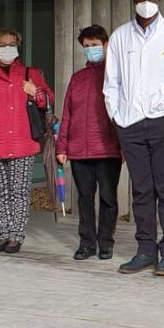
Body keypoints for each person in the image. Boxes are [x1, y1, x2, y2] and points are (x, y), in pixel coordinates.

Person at [103, 0, 164, 277]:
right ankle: (144, 250)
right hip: (130, 123)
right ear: (133, 0)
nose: (146, 1)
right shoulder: (119, 37)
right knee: (140, 189)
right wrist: (117, 117)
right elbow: (111, 83)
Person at [0, 28, 53, 253]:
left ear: (18, 46)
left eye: (12, 44)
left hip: (21, 143)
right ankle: (3, 234)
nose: (7, 48)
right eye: (2, 44)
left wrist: (35, 92)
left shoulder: (29, 73)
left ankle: (16, 236)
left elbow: (47, 102)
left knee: (19, 191)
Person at [56, 25, 122, 261]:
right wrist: (61, 148)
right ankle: (86, 243)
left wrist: (123, 146)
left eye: (94, 45)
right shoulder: (77, 78)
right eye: (86, 47)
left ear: (105, 45)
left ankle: (106, 242)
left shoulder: (115, 75)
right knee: (84, 198)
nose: (90, 50)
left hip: (107, 150)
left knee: (108, 197)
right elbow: (67, 114)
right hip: (78, 151)